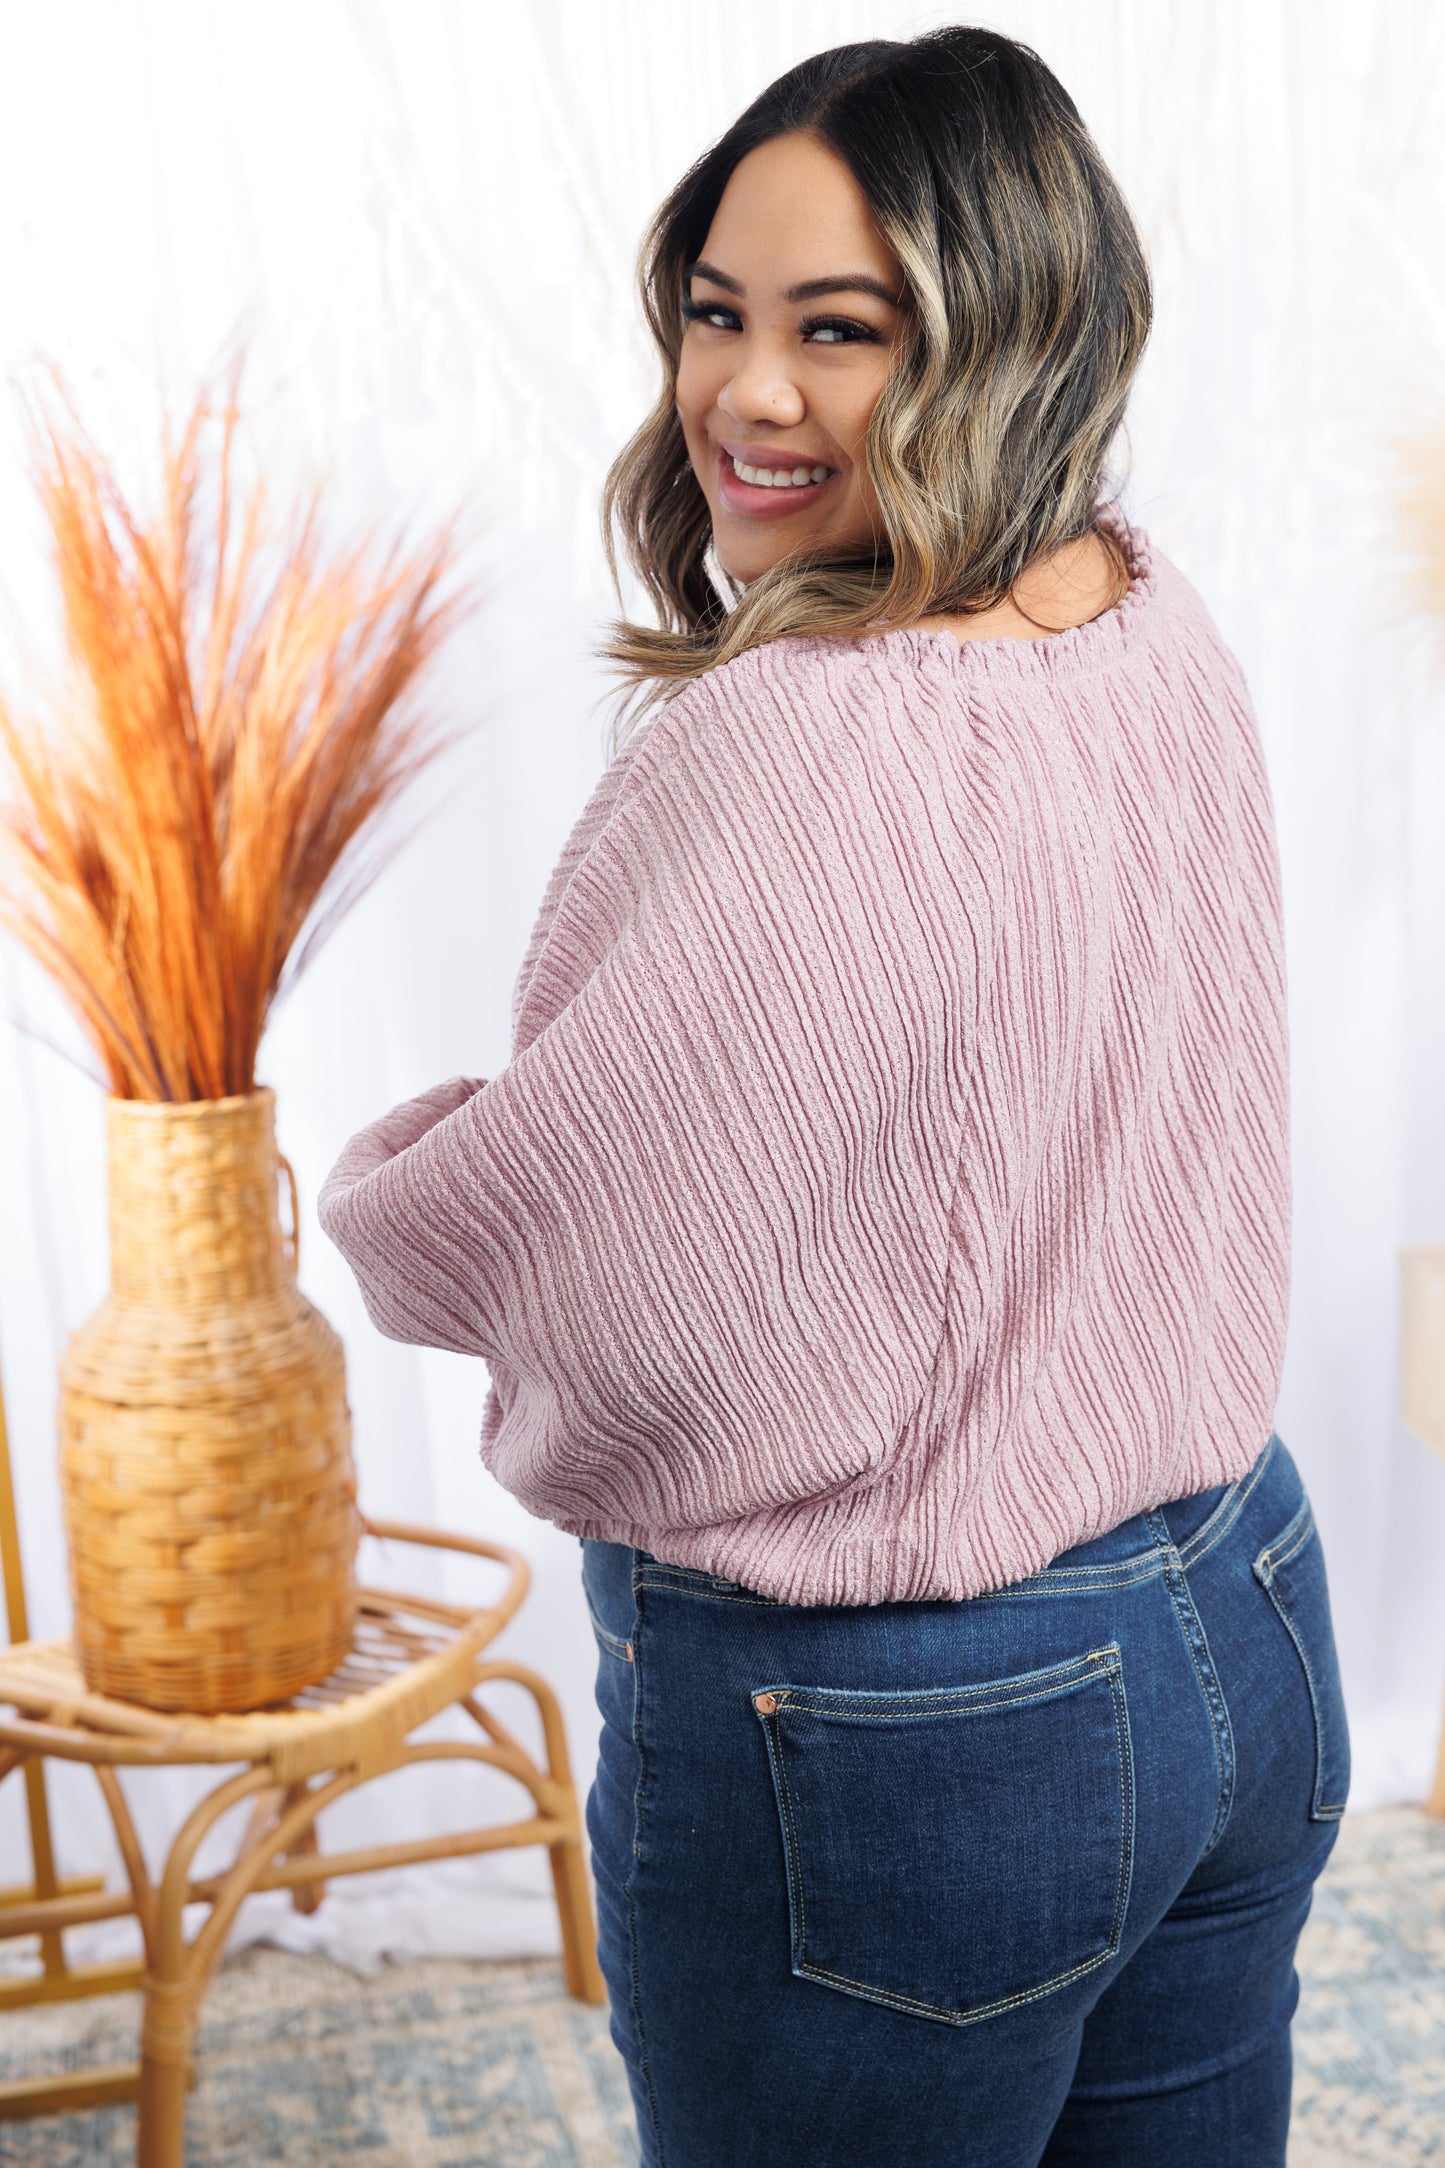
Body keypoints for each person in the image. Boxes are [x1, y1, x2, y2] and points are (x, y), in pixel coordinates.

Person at [318, 25, 1349, 2166]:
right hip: (1240, 1607)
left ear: (1010, 334)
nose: (749, 393)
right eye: (718, 311)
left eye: (843, 331)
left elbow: (594, 1270)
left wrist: (397, 1188)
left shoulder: (804, 737)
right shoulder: (1150, 616)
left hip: (917, 1728)